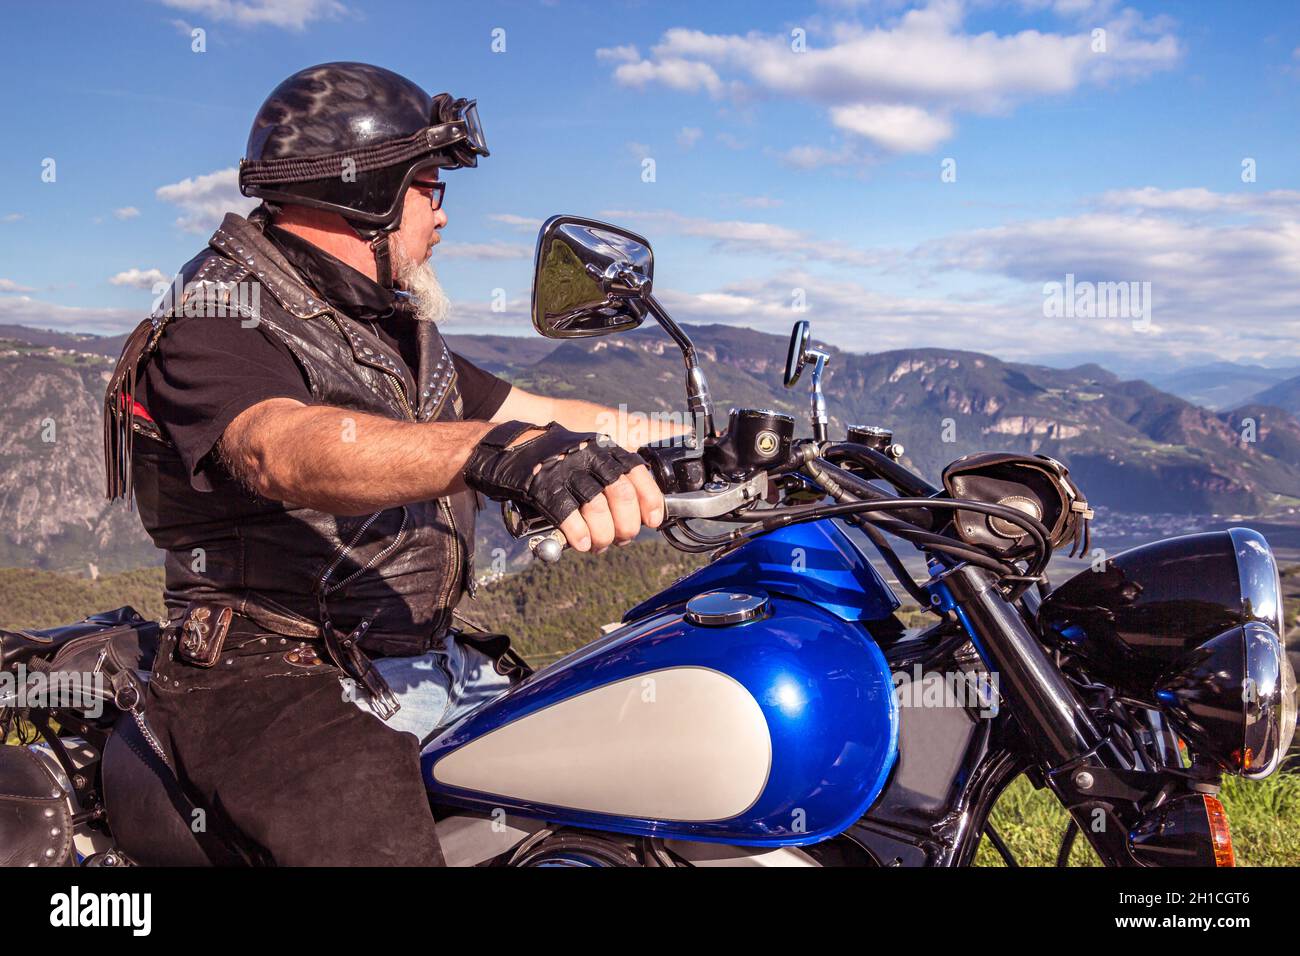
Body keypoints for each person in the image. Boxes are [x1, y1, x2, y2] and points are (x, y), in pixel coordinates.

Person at [103, 61, 681, 865]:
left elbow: (538, 413)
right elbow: (282, 448)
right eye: (430, 189)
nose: (442, 218)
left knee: (621, 773)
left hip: (421, 657)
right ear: (367, 193)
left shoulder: (389, 328)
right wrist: (498, 455)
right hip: (270, 674)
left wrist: (693, 433)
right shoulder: (218, 312)